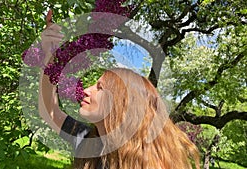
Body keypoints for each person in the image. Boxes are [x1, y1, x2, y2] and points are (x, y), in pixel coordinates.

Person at [38, 10, 200, 169]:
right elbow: (50, 110)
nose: (86, 90)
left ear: (121, 103)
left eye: (99, 88)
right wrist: (50, 55)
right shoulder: (88, 140)